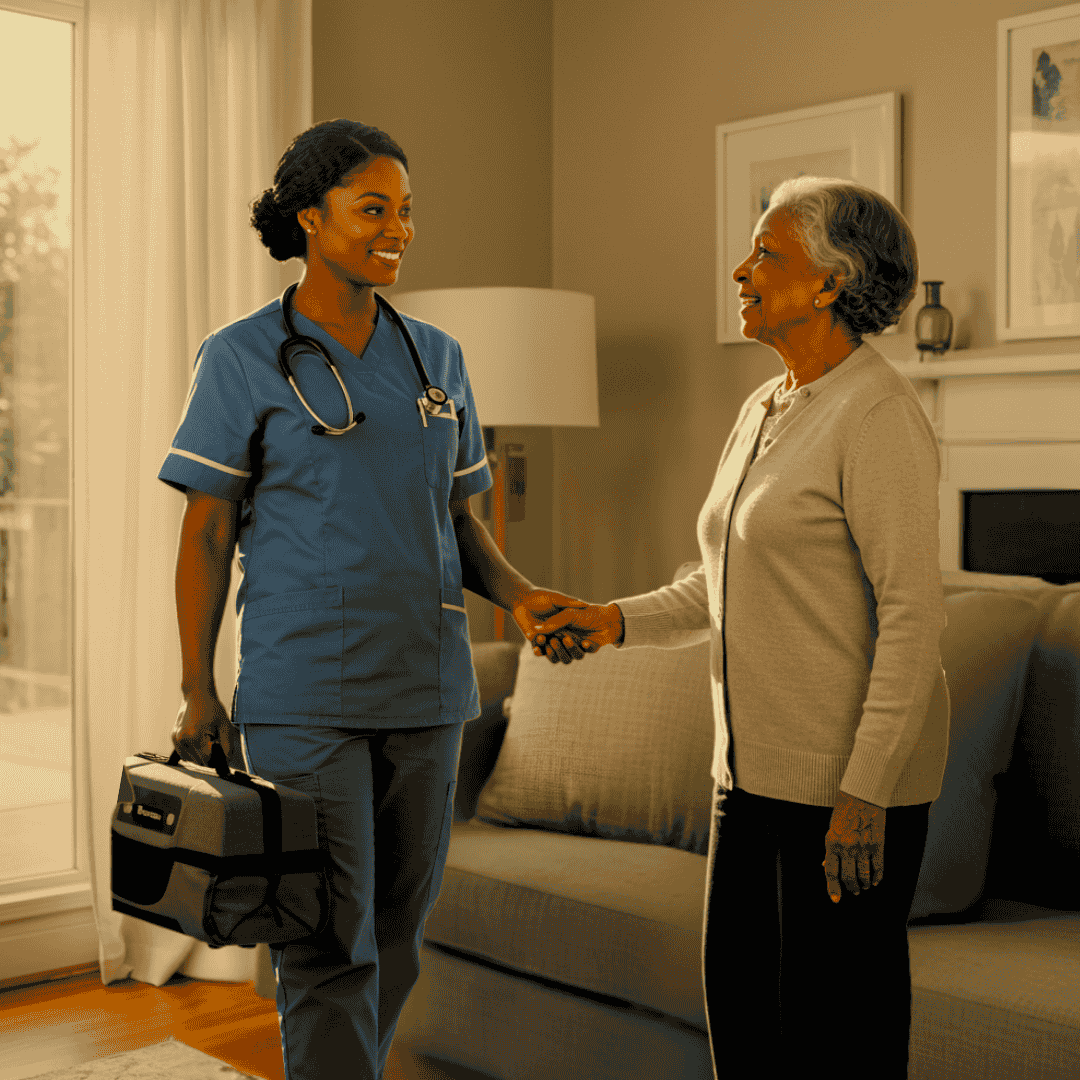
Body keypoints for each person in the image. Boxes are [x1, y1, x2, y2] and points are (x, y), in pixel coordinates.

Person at [161, 118, 588, 1080]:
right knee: (325, 938)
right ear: (309, 216)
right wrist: (198, 687)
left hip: (428, 690)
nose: (397, 228)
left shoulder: (438, 358)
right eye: (372, 209)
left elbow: (460, 520)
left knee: (396, 932)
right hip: (304, 693)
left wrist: (518, 600)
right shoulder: (240, 358)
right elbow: (206, 532)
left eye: (406, 212)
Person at [529, 177, 950, 1080]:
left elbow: (914, 621)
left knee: (840, 1049)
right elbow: (718, 586)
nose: (740, 270)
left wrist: (865, 793)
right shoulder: (764, 408)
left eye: (766, 253)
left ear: (831, 283)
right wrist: (612, 621)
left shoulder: (877, 417)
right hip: (746, 785)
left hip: (845, 799)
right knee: (750, 1040)